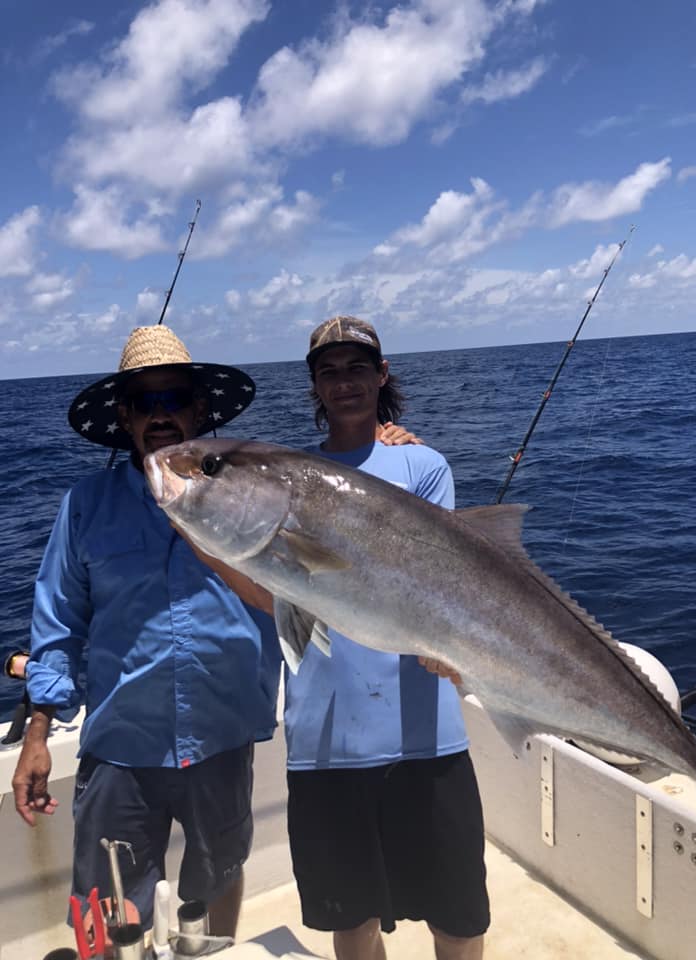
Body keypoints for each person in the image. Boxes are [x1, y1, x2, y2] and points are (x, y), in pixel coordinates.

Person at [198, 317, 490, 959]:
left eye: (358, 367)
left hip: (426, 736)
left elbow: (442, 581)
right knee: (348, 919)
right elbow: (284, 602)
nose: (345, 382)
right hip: (324, 744)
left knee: (459, 920)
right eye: (329, 371)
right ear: (314, 386)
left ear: (381, 375)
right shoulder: (281, 481)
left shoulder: (421, 464)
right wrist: (217, 550)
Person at [11, 324, 281, 938]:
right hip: (121, 741)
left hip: (223, 728)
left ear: (200, 409)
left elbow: (321, 530)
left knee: (221, 875)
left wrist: (382, 439)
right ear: (125, 416)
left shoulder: (252, 492)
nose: (161, 415)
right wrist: (37, 731)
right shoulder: (84, 505)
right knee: (104, 907)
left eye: (175, 399)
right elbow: (57, 623)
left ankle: (217, 950)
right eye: (145, 402)